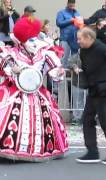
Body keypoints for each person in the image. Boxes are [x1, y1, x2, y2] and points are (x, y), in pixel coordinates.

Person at [0, 17, 68, 162]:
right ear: (21, 40)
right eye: (30, 39)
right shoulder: (10, 52)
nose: (34, 42)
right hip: (14, 92)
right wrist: (14, 69)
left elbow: (54, 69)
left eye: (34, 38)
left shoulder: (44, 52)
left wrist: (58, 72)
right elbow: (5, 63)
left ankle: (37, 149)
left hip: (37, 93)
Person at [75, 27, 106, 165]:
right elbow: (87, 68)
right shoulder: (83, 51)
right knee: (87, 120)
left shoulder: (103, 49)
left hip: (105, 89)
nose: (78, 41)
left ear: (89, 38)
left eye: (80, 38)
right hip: (93, 90)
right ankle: (92, 152)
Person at [56, 0, 81, 67]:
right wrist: (70, 20)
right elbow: (59, 23)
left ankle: (73, 76)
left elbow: (80, 25)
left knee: (74, 59)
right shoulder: (61, 13)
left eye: (73, 2)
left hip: (75, 40)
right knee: (64, 59)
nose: (72, 4)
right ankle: (62, 76)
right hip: (65, 39)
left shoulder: (77, 13)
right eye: (70, 2)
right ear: (67, 3)